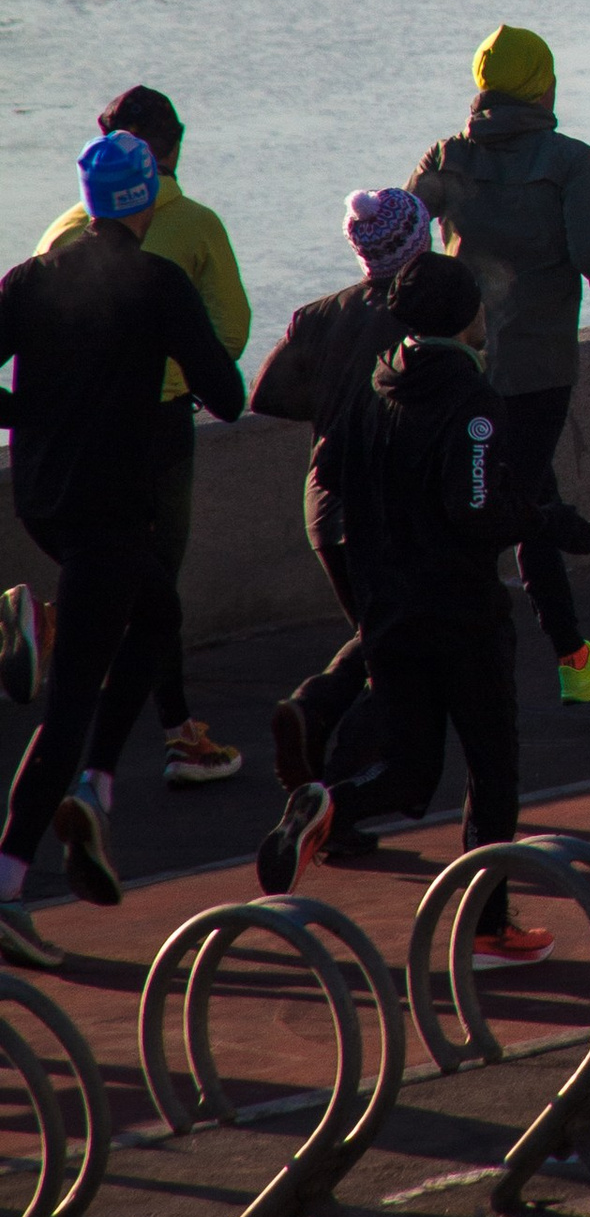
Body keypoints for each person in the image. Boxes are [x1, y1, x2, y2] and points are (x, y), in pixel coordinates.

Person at [259, 254, 571, 963]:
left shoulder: (377, 385)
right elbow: (477, 511)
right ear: (463, 318)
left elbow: (331, 471)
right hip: (461, 612)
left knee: (408, 769)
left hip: (387, 608)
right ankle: (487, 927)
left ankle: (330, 803)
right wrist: (549, 523)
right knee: (492, 773)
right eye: (479, 304)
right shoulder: (471, 401)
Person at [0, 129, 247, 957]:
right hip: (107, 508)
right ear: (146, 200)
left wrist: (30, 415)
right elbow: (227, 395)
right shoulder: (157, 283)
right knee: (71, 701)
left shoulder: (31, 278)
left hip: (41, 497)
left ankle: (96, 785)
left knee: (158, 615)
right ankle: (8, 878)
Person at [410, 24, 590, 706]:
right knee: (519, 507)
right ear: (544, 86)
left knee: (523, 497)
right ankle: (529, 659)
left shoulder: (446, 156)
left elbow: (402, 239)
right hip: (539, 366)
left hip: (463, 364)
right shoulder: (572, 161)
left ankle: (573, 654)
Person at [38, 83, 249, 790]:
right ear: (174, 145)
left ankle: (54, 645)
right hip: (157, 426)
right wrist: (180, 375)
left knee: (106, 571)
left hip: (64, 437)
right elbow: (231, 331)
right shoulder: (194, 224)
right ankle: (174, 737)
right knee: (155, 585)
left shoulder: (60, 234)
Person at [250, 186, 435, 785]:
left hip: (326, 507)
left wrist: (333, 406)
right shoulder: (422, 316)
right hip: (385, 507)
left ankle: (314, 719)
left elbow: (264, 393)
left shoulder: (320, 315)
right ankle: (335, 775)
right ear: (419, 243)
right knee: (403, 648)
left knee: (382, 632)